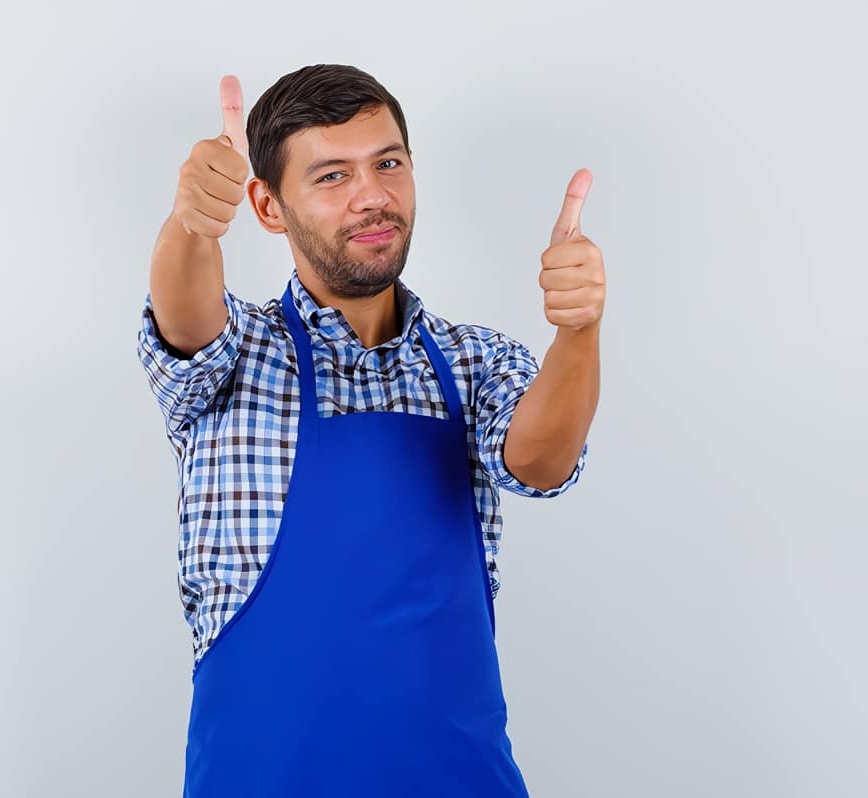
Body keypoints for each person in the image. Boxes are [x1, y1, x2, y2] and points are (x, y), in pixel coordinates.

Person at [136, 63, 605, 797]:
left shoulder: (473, 360)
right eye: (331, 176)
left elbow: (540, 463)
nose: (372, 196)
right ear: (267, 204)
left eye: (388, 163)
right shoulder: (237, 355)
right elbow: (187, 318)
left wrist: (578, 331)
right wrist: (192, 225)